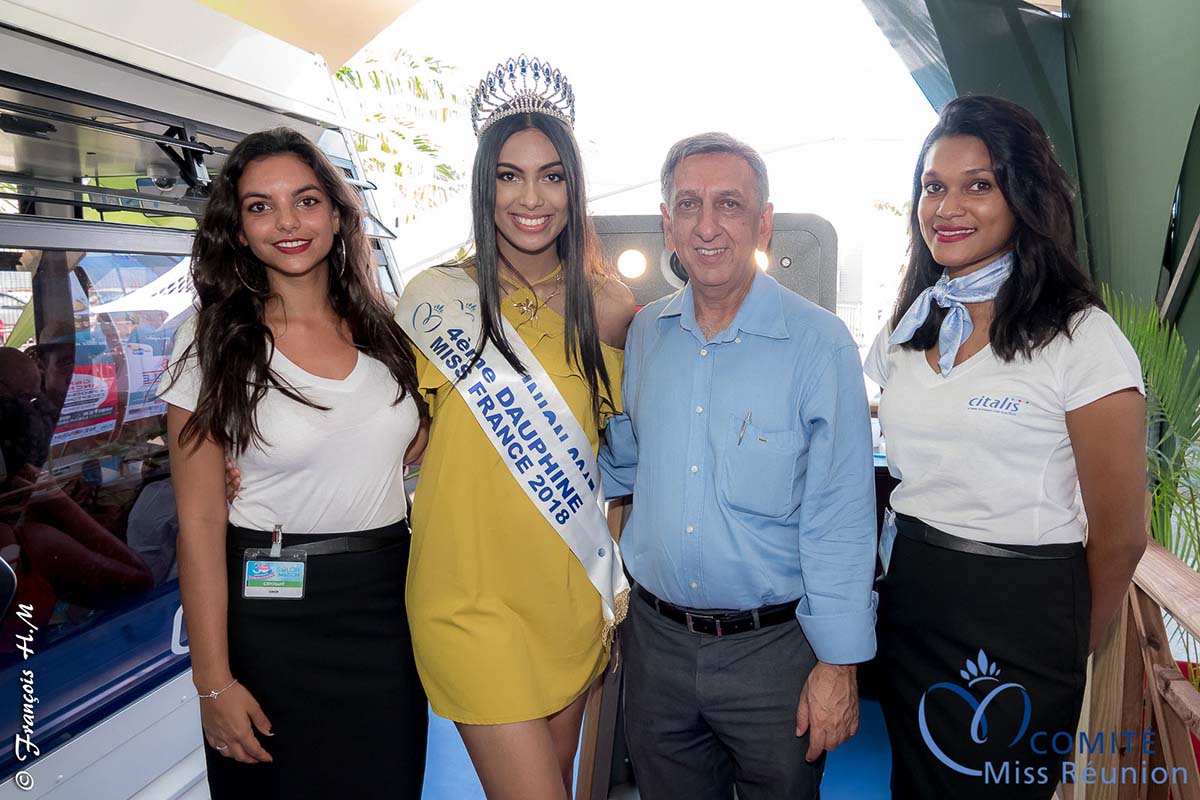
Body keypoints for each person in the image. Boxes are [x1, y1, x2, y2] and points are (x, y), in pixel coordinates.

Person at [864, 95, 1147, 799]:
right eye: (934, 186)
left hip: (1024, 614)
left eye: (978, 185)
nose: (947, 206)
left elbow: (1121, 535)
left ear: (1023, 197)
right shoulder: (910, 331)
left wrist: (1068, 638)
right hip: (915, 596)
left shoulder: (1081, 338)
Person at [600, 132, 878, 800]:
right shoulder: (645, 336)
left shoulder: (820, 344)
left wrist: (839, 665)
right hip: (657, 649)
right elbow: (623, 466)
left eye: (729, 204)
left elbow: (841, 514)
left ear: (764, 221)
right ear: (667, 223)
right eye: (688, 205)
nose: (707, 225)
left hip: (775, 656)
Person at [160, 128, 427, 799]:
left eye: (306, 200)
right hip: (272, 611)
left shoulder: (386, 331)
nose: (287, 222)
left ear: (338, 216)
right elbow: (196, 523)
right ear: (238, 228)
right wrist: (212, 681)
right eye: (260, 206)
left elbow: (411, 445)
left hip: (386, 606)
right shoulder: (211, 342)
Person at [395, 55, 636, 800]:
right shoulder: (437, 297)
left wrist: (614, 587)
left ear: (575, 187)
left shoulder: (612, 307)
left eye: (552, 175)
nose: (531, 198)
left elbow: (623, 461)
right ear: (483, 187)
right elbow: (390, 438)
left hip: (566, 593)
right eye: (508, 175)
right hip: (466, 597)